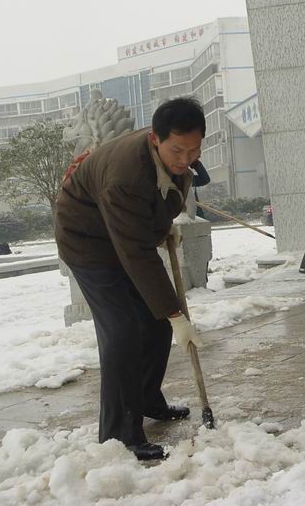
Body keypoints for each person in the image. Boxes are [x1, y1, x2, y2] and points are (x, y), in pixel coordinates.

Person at [55, 97, 206, 460]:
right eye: (177, 150)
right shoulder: (125, 176)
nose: (185, 159)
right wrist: (176, 314)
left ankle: (147, 399)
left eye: (194, 149)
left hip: (121, 232)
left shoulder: (173, 156)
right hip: (88, 242)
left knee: (155, 322)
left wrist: (163, 227)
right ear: (155, 139)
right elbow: (136, 254)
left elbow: (159, 199)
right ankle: (120, 434)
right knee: (122, 331)